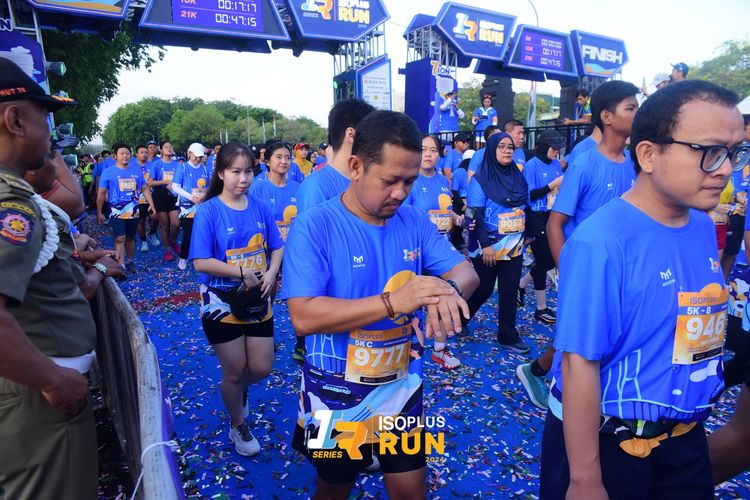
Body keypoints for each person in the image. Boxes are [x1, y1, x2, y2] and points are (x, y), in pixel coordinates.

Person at [540, 79, 746, 500]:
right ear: (649, 154)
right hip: (610, 443)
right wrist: (585, 479)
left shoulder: (702, 226)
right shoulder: (600, 242)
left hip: (684, 436)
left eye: (734, 152)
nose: (726, 169)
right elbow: (579, 364)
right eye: (710, 152)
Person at [282, 110, 478, 499]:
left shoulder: (414, 221)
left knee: (411, 489)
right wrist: (393, 302)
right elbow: (303, 315)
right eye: (390, 181)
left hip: (402, 387)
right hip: (333, 392)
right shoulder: (314, 225)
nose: (401, 193)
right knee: (334, 487)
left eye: (409, 181)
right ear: (356, 167)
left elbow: (466, 273)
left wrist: (447, 291)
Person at [0, 57, 98, 499]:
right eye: (46, 119)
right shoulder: (11, 203)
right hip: (36, 402)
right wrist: (53, 379)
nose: (51, 135)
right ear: (15, 119)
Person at [190, 141, 284, 457]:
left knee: (261, 367)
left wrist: (271, 272)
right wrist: (241, 272)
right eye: (235, 171)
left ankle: (236, 391)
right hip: (220, 302)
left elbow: (277, 246)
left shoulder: (260, 207)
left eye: (248, 172)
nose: (243, 179)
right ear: (220, 173)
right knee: (233, 370)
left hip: (257, 299)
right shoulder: (208, 211)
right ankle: (238, 424)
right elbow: (201, 262)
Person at [293, 99, 375, 362]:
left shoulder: (369, 182)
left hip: (370, 308)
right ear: (352, 134)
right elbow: (311, 261)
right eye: (372, 131)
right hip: (335, 316)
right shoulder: (315, 187)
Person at [464, 132, 530, 353]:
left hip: (514, 245)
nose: (507, 151)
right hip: (488, 247)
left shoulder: (519, 178)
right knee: (483, 288)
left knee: (509, 290)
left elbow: (525, 207)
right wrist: (486, 246)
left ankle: (507, 336)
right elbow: (475, 214)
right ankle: (460, 318)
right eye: (501, 146)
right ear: (492, 150)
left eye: (510, 147)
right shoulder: (479, 180)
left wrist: (528, 233)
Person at [405, 134, 463, 369]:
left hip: (442, 248)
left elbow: (443, 210)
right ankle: (408, 347)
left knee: (443, 295)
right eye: (423, 149)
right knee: (415, 302)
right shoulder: (410, 180)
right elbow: (403, 217)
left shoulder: (442, 180)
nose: (428, 154)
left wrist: (457, 218)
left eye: (433, 150)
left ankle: (440, 348)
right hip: (418, 251)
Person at [518, 130, 564, 325]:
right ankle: (541, 308)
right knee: (544, 260)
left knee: (550, 260)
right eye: (554, 148)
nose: (556, 152)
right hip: (536, 216)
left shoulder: (556, 164)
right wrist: (552, 185)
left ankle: (521, 284)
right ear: (544, 146)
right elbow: (529, 196)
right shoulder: (531, 166)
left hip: (554, 215)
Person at [96, 143, 156, 273]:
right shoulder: (108, 172)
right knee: (120, 238)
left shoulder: (136, 170)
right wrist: (99, 212)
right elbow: (101, 193)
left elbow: (144, 188)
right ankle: (120, 264)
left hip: (133, 211)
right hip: (116, 211)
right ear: (115, 156)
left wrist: (151, 203)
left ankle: (130, 261)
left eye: (127, 153)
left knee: (130, 237)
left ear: (131, 155)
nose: (125, 156)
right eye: (122, 153)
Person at [249, 142, 300, 242]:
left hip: (294, 246)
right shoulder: (257, 188)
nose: (284, 161)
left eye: (287, 158)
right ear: (267, 162)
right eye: (279, 157)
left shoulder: (298, 188)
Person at [172, 142, 210, 271]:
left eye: (200, 157)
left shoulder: (205, 169)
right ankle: (183, 257)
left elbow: (208, 187)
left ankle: (197, 258)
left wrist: (205, 195)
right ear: (189, 153)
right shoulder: (182, 168)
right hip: (187, 208)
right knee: (188, 234)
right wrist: (191, 197)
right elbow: (175, 187)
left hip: (201, 206)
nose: (197, 159)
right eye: (195, 156)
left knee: (201, 234)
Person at [147, 141, 181, 262]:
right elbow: (150, 183)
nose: (169, 148)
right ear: (161, 150)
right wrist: (164, 182)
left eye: (170, 146)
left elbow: (181, 180)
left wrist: (175, 185)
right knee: (164, 225)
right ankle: (167, 250)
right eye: (166, 147)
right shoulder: (156, 164)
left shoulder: (177, 164)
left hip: (174, 195)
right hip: (160, 195)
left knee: (176, 223)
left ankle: (172, 240)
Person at [131, 144, 160, 252]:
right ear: (136, 154)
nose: (144, 154)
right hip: (137, 198)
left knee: (155, 217)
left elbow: (155, 179)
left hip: (151, 196)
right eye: (142, 152)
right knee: (141, 220)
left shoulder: (152, 165)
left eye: (146, 152)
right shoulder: (131, 166)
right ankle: (144, 241)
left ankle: (152, 233)